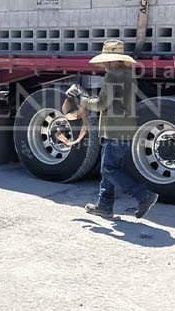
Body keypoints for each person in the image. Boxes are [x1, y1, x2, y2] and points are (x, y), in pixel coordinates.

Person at [68, 39, 159, 219]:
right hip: (125, 128)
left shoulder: (113, 76)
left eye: (106, 60)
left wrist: (81, 98)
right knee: (108, 169)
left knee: (109, 169)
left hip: (115, 130)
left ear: (111, 60)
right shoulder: (128, 74)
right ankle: (104, 206)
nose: (104, 65)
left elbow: (101, 104)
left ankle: (144, 196)